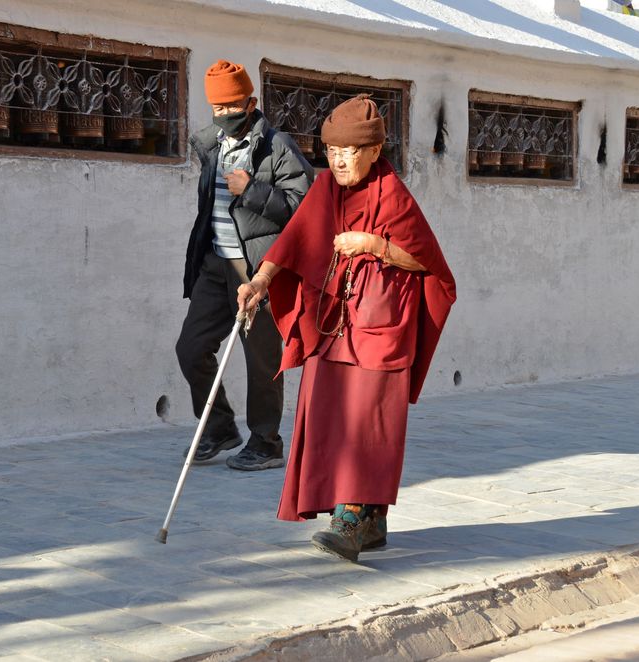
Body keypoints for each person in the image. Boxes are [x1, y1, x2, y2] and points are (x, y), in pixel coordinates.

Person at [237, 94, 456, 560]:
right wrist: (259, 281)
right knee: (327, 417)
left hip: (381, 329)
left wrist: (374, 244)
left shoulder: (393, 195)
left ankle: (351, 518)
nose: (338, 161)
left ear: (375, 152)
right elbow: (295, 238)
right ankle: (372, 522)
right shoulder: (326, 189)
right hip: (332, 325)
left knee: (368, 423)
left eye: (349, 152)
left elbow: (430, 264)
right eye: (332, 151)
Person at [178, 60, 314, 471]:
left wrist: (252, 189)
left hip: (258, 268)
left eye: (232, 105)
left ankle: (266, 441)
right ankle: (219, 426)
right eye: (218, 107)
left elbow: (303, 207)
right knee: (191, 349)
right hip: (215, 264)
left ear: (251, 101)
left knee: (261, 359)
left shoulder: (277, 146)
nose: (225, 114)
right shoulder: (211, 145)